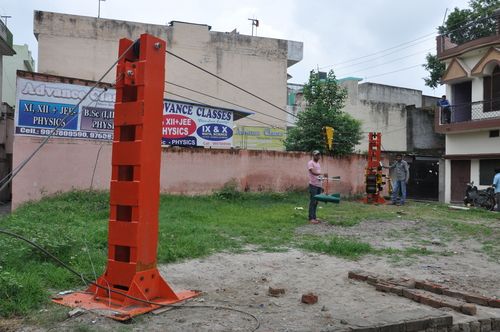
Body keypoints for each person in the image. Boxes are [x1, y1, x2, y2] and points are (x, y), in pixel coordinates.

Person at [307, 150, 324, 224]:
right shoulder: (310, 163)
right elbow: (312, 172)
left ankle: (314, 217)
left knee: (316, 202)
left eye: (319, 155)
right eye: (316, 155)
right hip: (313, 185)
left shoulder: (318, 164)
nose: (318, 156)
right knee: (313, 201)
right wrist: (322, 173)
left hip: (318, 185)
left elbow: (319, 175)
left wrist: (321, 185)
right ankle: (311, 218)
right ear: (313, 155)